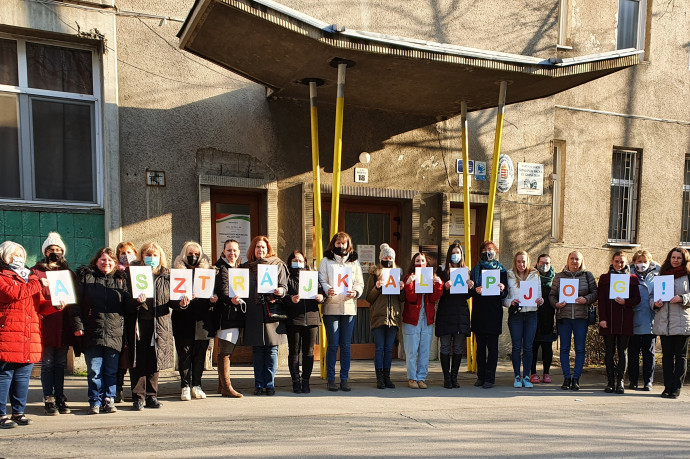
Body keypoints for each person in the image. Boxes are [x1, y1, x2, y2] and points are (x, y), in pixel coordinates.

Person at [0, 241, 54, 428]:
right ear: (4, 256)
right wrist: (37, 282)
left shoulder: (29, 279)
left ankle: (18, 412)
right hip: (8, 335)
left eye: (22, 255)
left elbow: (40, 305)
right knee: (4, 376)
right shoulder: (3, 277)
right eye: (15, 254)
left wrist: (54, 305)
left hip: (29, 335)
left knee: (22, 378)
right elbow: (13, 293)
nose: (19, 258)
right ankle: (1, 415)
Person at [73, 247, 130, 414]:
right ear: (96, 261)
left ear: (115, 263)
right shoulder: (86, 277)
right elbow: (75, 304)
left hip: (114, 332)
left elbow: (127, 306)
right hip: (92, 331)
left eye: (110, 260)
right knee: (94, 371)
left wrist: (138, 301)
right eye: (103, 260)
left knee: (111, 371)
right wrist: (78, 325)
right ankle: (95, 400)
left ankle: (109, 399)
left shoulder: (121, 279)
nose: (106, 263)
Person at [124, 242, 174, 411]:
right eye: (148, 255)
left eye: (155, 255)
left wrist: (183, 302)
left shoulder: (167, 275)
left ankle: (152, 396)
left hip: (159, 323)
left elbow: (172, 301)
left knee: (155, 360)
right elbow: (125, 300)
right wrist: (136, 302)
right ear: (141, 256)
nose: (151, 258)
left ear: (160, 257)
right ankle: (138, 397)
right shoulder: (132, 273)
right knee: (138, 360)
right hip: (139, 323)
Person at [235, 236, 288, 395]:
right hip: (253, 312)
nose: (260, 250)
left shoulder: (278, 265)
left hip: (272, 312)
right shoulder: (245, 267)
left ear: (268, 248)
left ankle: (270, 384)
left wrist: (281, 291)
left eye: (263, 247)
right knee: (257, 350)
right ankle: (258, 384)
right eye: (258, 247)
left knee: (272, 350)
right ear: (253, 249)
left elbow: (285, 286)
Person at [31, 232, 74, 415]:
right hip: (46, 323)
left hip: (63, 324)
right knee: (48, 363)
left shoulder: (68, 272)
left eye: (58, 249)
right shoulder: (36, 271)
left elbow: (76, 298)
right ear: (45, 252)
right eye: (51, 249)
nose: (54, 252)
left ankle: (60, 396)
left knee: (60, 363)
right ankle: (48, 397)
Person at [318, 232, 364, 392]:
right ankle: (331, 379)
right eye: (338, 243)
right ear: (333, 244)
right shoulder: (325, 261)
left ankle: (344, 378)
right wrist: (326, 288)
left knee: (345, 346)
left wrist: (356, 292)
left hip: (349, 307)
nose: (341, 246)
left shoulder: (354, 263)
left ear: (348, 245)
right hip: (331, 307)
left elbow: (360, 283)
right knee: (332, 345)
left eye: (343, 243)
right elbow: (321, 279)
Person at [172, 241, 218, 401]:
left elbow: (214, 294)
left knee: (199, 355)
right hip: (183, 320)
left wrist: (213, 300)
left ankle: (196, 385)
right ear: (184, 255)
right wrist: (181, 302)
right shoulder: (176, 273)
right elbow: (171, 300)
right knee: (184, 354)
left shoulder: (208, 272)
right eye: (190, 254)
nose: (193, 257)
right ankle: (185, 386)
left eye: (197, 254)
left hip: (203, 320)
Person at [549, 251, 597, 391]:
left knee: (580, 349)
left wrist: (586, 299)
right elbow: (552, 295)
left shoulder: (587, 276)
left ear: (581, 261)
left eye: (577, 259)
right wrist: (556, 304)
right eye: (572, 258)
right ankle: (566, 378)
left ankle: (576, 379)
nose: (574, 261)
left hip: (581, 318)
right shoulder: (559, 276)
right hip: (564, 317)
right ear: (567, 260)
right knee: (564, 349)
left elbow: (595, 292)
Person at [597, 251, 641, 394]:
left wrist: (625, 302)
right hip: (608, 319)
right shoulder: (604, 278)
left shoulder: (632, 279)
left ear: (626, 262)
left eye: (622, 262)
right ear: (612, 261)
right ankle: (610, 381)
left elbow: (637, 299)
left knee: (622, 351)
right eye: (616, 261)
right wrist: (602, 318)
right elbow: (601, 301)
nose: (619, 264)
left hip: (624, 320)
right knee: (609, 352)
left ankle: (620, 381)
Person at [652, 247, 690, 399]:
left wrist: (682, 298)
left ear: (684, 260)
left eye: (678, 258)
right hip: (664, 322)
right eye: (673, 257)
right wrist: (655, 304)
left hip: (681, 323)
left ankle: (676, 388)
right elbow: (652, 296)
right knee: (666, 357)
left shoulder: (687, 276)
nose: (675, 260)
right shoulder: (661, 275)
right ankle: (667, 387)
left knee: (680, 357)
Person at [470, 241, 508, 389]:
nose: (488, 252)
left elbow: (506, 293)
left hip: (494, 312)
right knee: (480, 347)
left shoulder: (502, 271)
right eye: (485, 250)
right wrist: (475, 290)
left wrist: (502, 288)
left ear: (496, 251)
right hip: (479, 311)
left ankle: (490, 378)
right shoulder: (475, 270)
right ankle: (481, 376)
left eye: (490, 249)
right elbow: (470, 290)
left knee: (492, 347)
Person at [435, 241, 473, 389]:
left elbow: (468, 295)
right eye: (453, 253)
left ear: (461, 255)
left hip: (460, 313)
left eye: (458, 253)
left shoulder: (466, 271)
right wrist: (444, 287)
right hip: (446, 312)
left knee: (458, 347)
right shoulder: (442, 271)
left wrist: (471, 286)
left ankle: (454, 377)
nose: (455, 255)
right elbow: (437, 293)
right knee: (445, 346)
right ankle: (446, 378)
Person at [366, 243, 404, 389]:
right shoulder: (375, 274)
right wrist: (377, 288)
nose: (388, 259)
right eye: (385, 257)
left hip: (393, 317)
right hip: (378, 316)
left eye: (390, 257)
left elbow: (401, 299)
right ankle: (379, 378)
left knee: (389, 349)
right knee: (379, 348)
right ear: (381, 258)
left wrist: (401, 289)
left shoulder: (398, 273)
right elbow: (369, 298)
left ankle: (387, 377)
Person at [403, 251, 443, 389]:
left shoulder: (431, 277)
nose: (420, 263)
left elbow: (433, 298)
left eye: (422, 261)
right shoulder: (409, 277)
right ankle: (412, 378)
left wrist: (438, 285)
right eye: (417, 261)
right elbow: (411, 299)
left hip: (427, 318)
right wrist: (409, 285)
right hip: (412, 319)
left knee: (425, 350)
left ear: (427, 263)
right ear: (413, 264)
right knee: (412, 350)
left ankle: (421, 378)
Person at [286, 250, 324, 394]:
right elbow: (283, 296)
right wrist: (291, 299)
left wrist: (321, 297)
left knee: (308, 353)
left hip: (312, 318)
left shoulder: (312, 275)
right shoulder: (287, 277)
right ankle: (295, 381)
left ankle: (306, 381)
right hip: (294, 320)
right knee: (294, 352)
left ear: (305, 262)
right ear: (290, 262)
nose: (298, 262)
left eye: (300, 260)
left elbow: (321, 292)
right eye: (295, 260)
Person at [504, 251, 543, 388]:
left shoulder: (535, 274)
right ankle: (517, 376)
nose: (521, 264)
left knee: (528, 347)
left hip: (531, 314)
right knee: (516, 346)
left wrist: (540, 300)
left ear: (528, 262)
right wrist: (510, 302)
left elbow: (539, 295)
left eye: (524, 261)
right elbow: (504, 299)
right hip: (516, 315)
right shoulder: (508, 274)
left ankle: (526, 376)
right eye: (519, 261)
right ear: (515, 262)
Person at [214, 239, 244, 398]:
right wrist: (229, 299)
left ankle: (221, 386)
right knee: (226, 351)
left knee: (228, 350)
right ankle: (226, 387)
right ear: (223, 251)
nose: (232, 253)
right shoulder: (221, 267)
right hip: (226, 316)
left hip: (235, 314)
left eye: (235, 250)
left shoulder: (238, 268)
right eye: (229, 250)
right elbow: (223, 290)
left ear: (239, 252)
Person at [627, 249, 659, 391]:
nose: (642, 264)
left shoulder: (657, 276)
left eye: (645, 261)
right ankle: (633, 380)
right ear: (634, 262)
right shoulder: (627, 276)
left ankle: (648, 381)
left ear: (650, 262)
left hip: (650, 319)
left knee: (649, 353)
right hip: (632, 319)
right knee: (633, 353)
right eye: (639, 261)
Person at [114, 241, 138, 403]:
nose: (126, 256)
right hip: (120, 318)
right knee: (121, 354)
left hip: (137, 318)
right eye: (122, 253)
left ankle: (137, 392)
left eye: (129, 252)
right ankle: (118, 389)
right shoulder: (116, 274)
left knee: (135, 354)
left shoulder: (140, 272)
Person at [529, 254, 557, 384]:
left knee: (547, 348)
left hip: (548, 318)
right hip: (533, 317)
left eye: (547, 263)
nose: (544, 265)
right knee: (533, 347)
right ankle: (533, 373)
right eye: (541, 263)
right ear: (537, 263)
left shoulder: (555, 279)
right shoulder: (531, 276)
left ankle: (546, 373)